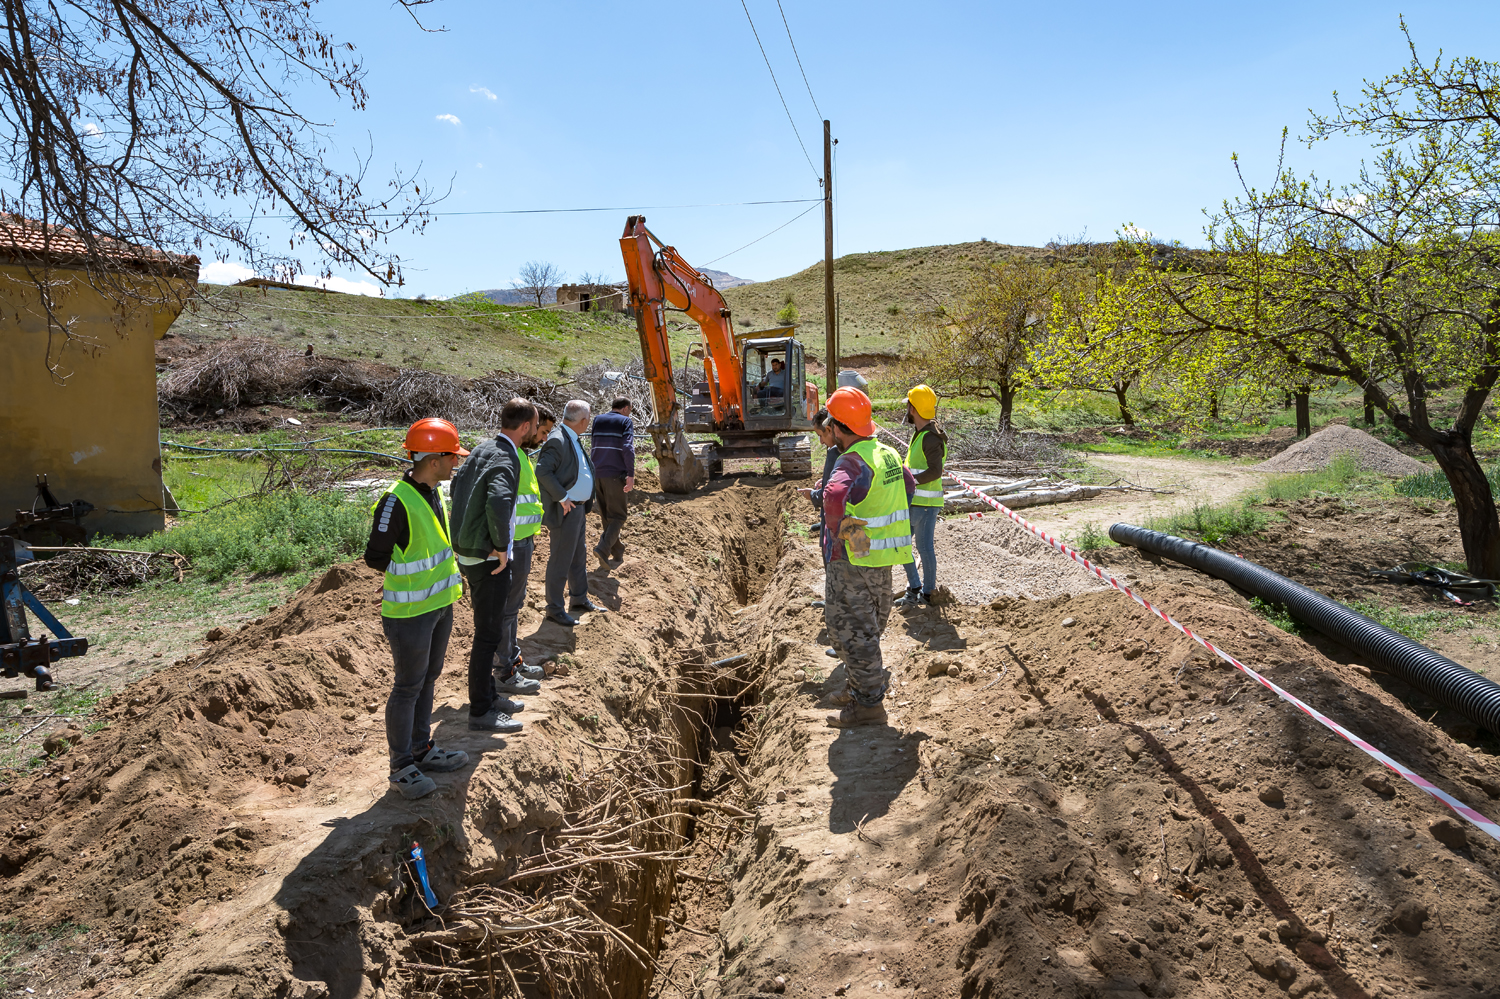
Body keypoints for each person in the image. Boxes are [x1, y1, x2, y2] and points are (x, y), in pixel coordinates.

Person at [364, 418, 471, 801]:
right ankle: (401, 766)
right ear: (434, 459)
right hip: (410, 614)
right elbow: (375, 556)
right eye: (452, 457)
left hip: (438, 605)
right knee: (408, 685)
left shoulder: (431, 491)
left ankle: (422, 748)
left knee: (428, 678)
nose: (455, 464)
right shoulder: (397, 501)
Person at [818, 387, 916, 728]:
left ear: (839, 427)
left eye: (830, 423)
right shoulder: (886, 452)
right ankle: (861, 688)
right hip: (881, 556)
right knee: (867, 627)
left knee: (851, 633)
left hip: (855, 558)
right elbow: (909, 485)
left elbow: (833, 495)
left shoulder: (852, 460)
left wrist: (838, 533)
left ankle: (869, 708)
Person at [448, 399, 543, 734]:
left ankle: (489, 695)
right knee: (487, 636)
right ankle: (482, 711)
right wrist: (502, 547)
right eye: (535, 425)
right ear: (527, 425)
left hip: (470, 551)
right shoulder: (506, 456)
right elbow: (499, 500)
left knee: (487, 631)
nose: (536, 430)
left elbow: (457, 487)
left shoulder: (482, 448)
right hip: (488, 558)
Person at [535, 399, 605, 626]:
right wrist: (563, 497)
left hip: (576, 509)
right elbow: (543, 471)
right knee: (561, 560)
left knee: (577, 556)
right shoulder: (557, 440)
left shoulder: (570, 438)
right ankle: (554, 608)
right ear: (584, 421)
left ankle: (578, 598)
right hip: (566, 509)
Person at [897, 384, 948, 609]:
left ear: (913, 409)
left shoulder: (930, 437)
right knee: (901, 543)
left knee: (924, 548)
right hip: (913, 501)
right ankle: (916, 587)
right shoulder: (921, 434)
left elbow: (936, 471)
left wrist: (912, 481)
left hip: (925, 504)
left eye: (909, 406)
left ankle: (926, 593)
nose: (907, 410)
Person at [590, 397, 635, 566]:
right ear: (625, 408)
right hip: (615, 474)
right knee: (618, 516)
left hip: (597, 473)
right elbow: (628, 448)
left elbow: (594, 444)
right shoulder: (625, 422)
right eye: (629, 410)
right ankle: (602, 549)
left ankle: (617, 551)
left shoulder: (598, 419)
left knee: (607, 516)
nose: (629, 413)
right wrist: (630, 474)